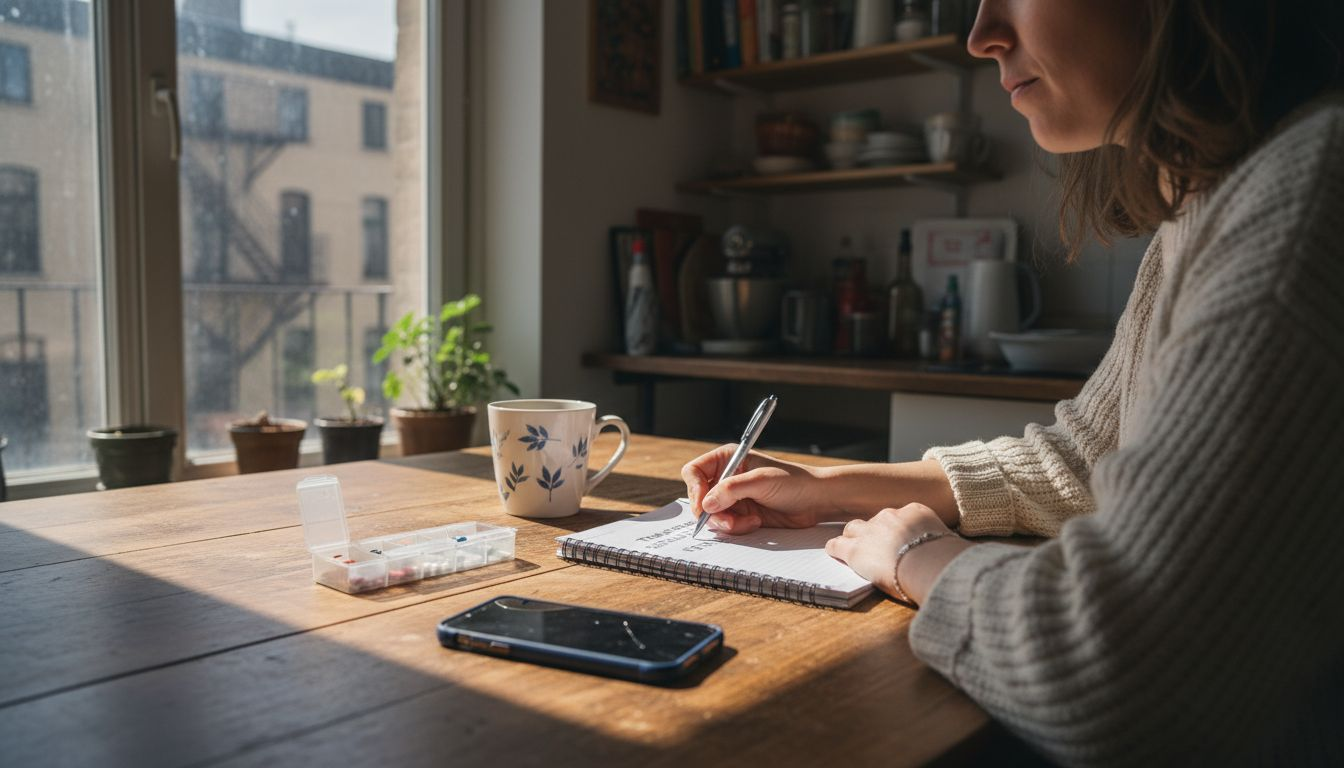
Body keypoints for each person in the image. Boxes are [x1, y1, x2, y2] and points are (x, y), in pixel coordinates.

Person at [681, 0, 1344, 764]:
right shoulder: (1213, 199)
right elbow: (1082, 462)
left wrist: (917, 558)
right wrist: (834, 488)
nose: (980, 35)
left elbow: (1115, 670)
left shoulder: (1303, 199)